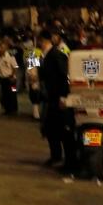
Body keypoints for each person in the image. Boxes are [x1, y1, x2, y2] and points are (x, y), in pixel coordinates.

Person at [40, 32, 77, 172]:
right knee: (51, 130)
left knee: (64, 131)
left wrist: (64, 96)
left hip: (59, 99)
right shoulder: (47, 55)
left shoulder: (56, 55)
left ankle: (69, 162)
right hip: (52, 98)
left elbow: (64, 76)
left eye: (41, 41)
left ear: (45, 41)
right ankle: (56, 156)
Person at [0, 41, 19, 116]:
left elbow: (15, 67)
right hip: (2, 78)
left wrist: (13, 76)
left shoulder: (10, 57)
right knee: (4, 95)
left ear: (5, 48)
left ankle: (13, 110)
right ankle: (7, 109)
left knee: (11, 95)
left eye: (1, 47)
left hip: (10, 78)